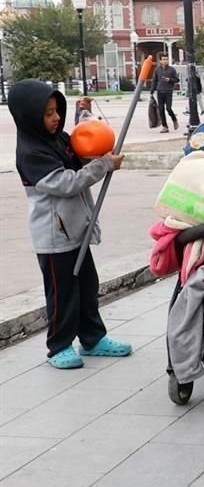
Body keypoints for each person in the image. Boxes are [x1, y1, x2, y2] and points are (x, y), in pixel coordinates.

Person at [8, 79, 133, 369]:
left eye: (57, 111)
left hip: (75, 229)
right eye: (48, 113)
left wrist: (96, 144)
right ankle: (59, 346)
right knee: (62, 292)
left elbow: (78, 154)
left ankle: (92, 338)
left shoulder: (57, 139)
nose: (56, 118)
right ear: (29, 116)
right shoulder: (31, 152)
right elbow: (66, 183)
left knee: (87, 286)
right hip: (53, 236)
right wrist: (103, 166)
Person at [150, 53, 179, 133]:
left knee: (168, 108)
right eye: (163, 59)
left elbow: (177, 79)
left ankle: (174, 119)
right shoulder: (157, 70)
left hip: (168, 91)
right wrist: (152, 91)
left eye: (166, 59)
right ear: (160, 61)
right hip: (160, 91)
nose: (165, 61)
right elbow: (154, 81)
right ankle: (165, 126)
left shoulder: (172, 70)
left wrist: (169, 80)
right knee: (161, 109)